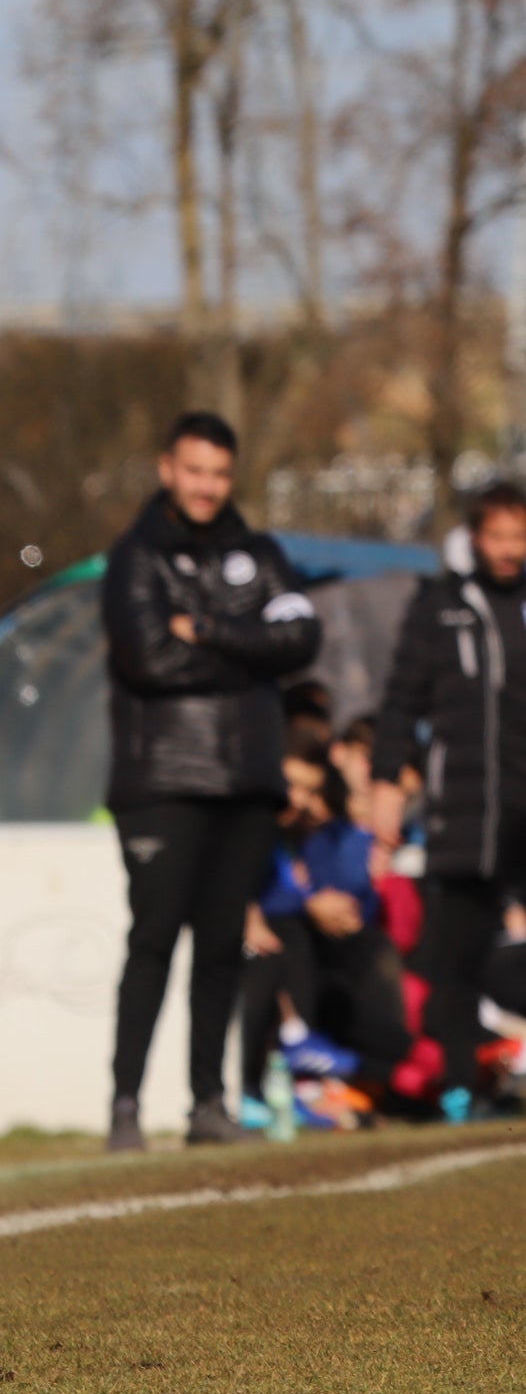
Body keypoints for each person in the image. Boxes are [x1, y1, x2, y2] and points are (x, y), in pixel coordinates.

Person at [100, 410, 322, 1151]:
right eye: (194, 471)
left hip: (247, 781)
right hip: (162, 780)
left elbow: (302, 637)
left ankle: (208, 1103)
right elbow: (149, 661)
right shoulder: (134, 557)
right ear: (167, 468)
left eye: (220, 474)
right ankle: (126, 1105)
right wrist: (252, 651)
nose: (206, 486)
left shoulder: (261, 553)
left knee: (224, 945)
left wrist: (211, 631)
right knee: (156, 938)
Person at [369, 480, 526, 1121]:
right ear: (474, 536)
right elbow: (402, 699)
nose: (509, 549)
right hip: (462, 812)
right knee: (458, 954)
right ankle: (462, 1085)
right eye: (498, 535)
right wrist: (385, 782)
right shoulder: (438, 606)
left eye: (520, 536)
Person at [240, 725, 411, 1110]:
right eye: (293, 785)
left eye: (311, 791)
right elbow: (257, 893)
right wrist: (306, 904)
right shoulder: (248, 827)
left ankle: (362, 1079)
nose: (299, 800)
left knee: (368, 949)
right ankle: (295, 1044)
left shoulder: (310, 834)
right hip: (265, 950)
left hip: (327, 962)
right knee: (284, 933)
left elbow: (350, 898)